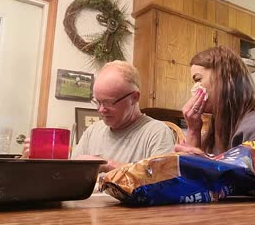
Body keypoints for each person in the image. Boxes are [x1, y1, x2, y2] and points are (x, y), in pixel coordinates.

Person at [24, 61, 175, 172]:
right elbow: (70, 173)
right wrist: (37, 161)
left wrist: (108, 164)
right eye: (97, 102)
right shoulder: (93, 131)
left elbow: (162, 180)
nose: (101, 110)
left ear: (134, 98)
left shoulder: (157, 132)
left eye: (109, 102)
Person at [178, 46, 255, 155]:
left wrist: (207, 163)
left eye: (198, 79)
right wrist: (193, 131)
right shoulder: (216, 131)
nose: (194, 88)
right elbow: (193, 170)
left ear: (227, 79)